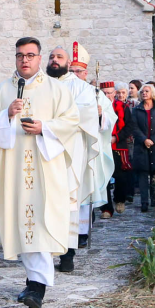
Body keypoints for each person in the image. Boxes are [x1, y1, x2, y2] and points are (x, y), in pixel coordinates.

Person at [0, 37, 80, 308]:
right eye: (20, 55)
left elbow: (72, 121)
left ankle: (37, 288)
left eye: (30, 55)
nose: (25, 60)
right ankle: (33, 282)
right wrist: (5, 115)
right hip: (14, 170)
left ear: (39, 58)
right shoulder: (1, 91)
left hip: (44, 168)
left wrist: (45, 127)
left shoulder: (56, 89)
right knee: (21, 223)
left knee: (41, 221)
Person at [45, 44, 111, 270]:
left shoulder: (81, 88)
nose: (54, 60)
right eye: (51, 56)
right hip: (42, 151)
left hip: (70, 153)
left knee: (68, 201)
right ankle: (43, 253)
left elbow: (87, 113)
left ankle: (67, 254)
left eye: (59, 57)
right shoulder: (41, 85)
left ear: (68, 63)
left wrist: (53, 121)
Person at [131, 84, 155, 213]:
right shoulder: (136, 110)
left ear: (152, 93)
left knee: (154, 173)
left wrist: (153, 140)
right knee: (142, 174)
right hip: (141, 146)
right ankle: (144, 202)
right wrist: (144, 140)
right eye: (142, 91)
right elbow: (134, 127)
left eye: (147, 91)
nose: (144, 93)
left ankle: (154, 200)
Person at [103, 81, 134, 215]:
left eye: (109, 93)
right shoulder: (96, 108)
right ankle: (106, 208)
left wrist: (117, 137)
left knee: (121, 176)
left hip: (118, 146)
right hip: (102, 146)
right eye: (104, 93)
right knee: (103, 177)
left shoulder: (123, 107)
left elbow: (129, 126)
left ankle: (119, 199)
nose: (107, 96)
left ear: (114, 93)